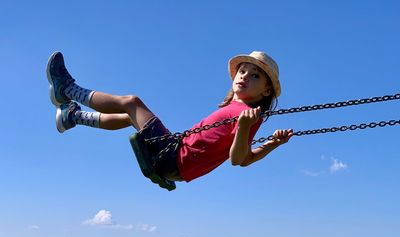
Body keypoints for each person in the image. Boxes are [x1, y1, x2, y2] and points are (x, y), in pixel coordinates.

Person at [46, 51, 293, 183]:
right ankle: (73, 116)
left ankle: (67, 89)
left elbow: (237, 159)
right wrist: (273, 143)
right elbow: (248, 158)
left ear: (266, 91)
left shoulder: (247, 116)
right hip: (175, 157)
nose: (244, 76)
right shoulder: (243, 113)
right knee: (129, 116)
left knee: (133, 103)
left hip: (174, 157)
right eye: (242, 70)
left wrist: (245, 129)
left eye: (255, 76)